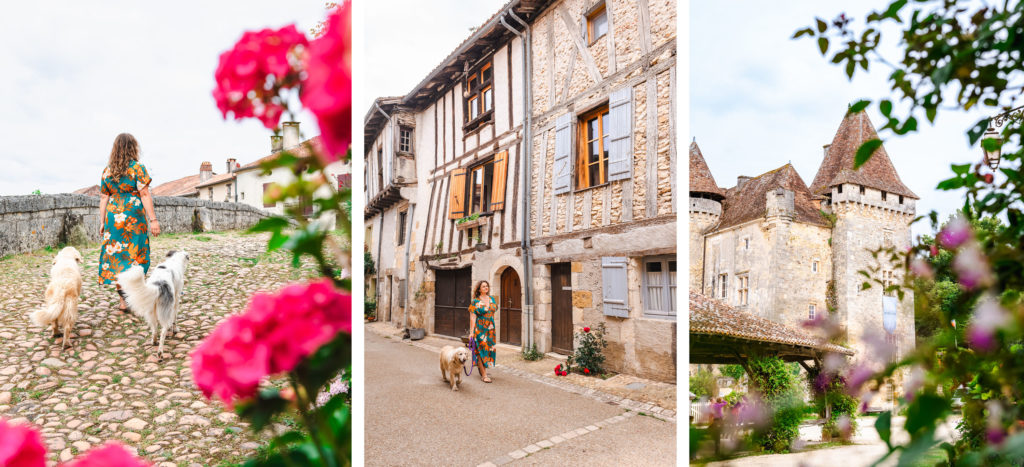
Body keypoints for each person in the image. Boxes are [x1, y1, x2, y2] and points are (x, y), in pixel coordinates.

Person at [97, 133, 160, 312]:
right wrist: (153, 219)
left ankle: (123, 301)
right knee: (136, 256)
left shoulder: (107, 171)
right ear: (133, 148)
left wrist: (102, 222)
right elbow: (145, 194)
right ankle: (134, 298)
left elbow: (103, 197)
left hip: (113, 218)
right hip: (134, 218)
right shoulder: (137, 169)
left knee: (117, 258)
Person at [468, 280, 497, 383]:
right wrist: (471, 332)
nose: (486, 288)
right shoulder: (475, 301)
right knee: (481, 351)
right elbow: (472, 317)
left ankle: (482, 369)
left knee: (489, 350)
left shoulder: (492, 299)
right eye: (483, 286)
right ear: (479, 289)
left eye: (487, 286)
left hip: (490, 330)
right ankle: (484, 375)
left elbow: (492, 314)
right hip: (480, 329)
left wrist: (491, 326)